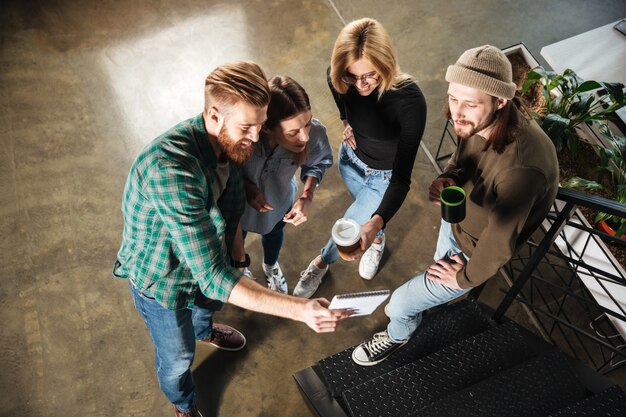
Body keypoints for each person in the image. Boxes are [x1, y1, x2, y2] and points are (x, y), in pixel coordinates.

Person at [112, 61, 350, 417]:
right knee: (178, 357)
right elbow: (211, 276)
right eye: (247, 127)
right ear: (213, 115)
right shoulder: (172, 171)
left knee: (207, 307)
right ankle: (184, 404)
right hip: (164, 278)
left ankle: (205, 329)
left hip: (210, 253)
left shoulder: (227, 141)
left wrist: (237, 250)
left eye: (260, 125)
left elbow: (232, 195)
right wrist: (300, 310)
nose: (255, 138)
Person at [350, 45, 559, 366]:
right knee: (438, 263)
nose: (457, 112)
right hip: (459, 213)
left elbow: (498, 246)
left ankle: (398, 335)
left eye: (469, 103)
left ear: (501, 100)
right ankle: (439, 295)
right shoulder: (478, 120)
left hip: (475, 248)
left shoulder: (521, 171)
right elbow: (462, 159)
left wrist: (463, 278)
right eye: (453, 97)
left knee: (400, 304)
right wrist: (450, 177)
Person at [293, 18, 427, 298]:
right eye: (351, 77)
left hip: (384, 177)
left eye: (369, 76)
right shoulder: (338, 76)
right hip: (350, 161)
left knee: (352, 223)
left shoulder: (410, 102)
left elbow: (402, 178)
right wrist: (345, 121)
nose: (359, 85)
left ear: (386, 64)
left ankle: (321, 262)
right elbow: (336, 87)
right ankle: (378, 239)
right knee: (363, 216)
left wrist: (376, 221)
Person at [240, 75, 333, 294]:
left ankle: (270, 265)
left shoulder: (315, 133)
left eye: (307, 123)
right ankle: (241, 266)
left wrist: (306, 196)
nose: (304, 136)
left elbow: (318, 162)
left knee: (274, 234)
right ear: (265, 129)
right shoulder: (243, 137)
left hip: (279, 202)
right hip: (238, 206)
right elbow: (222, 167)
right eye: (292, 132)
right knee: (236, 236)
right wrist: (245, 186)